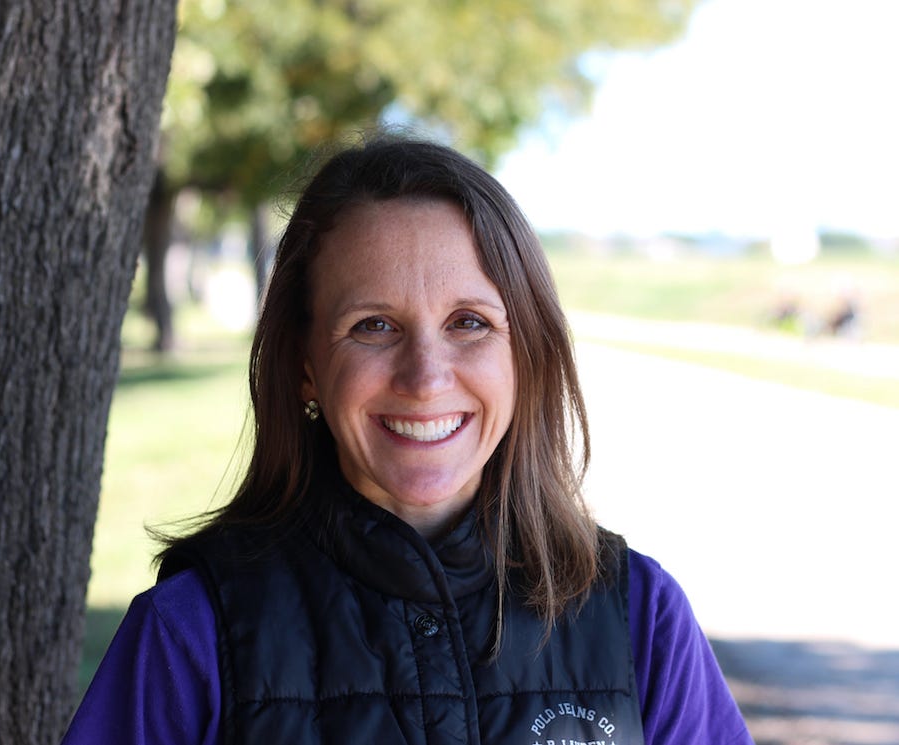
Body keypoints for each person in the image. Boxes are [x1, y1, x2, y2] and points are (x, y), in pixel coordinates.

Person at [62, 137, 753, 744]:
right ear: (305, 362)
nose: (425, 378)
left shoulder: (642, 617)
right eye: (373, 326)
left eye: (469, 322)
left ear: (527, 353)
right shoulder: (192, 631)